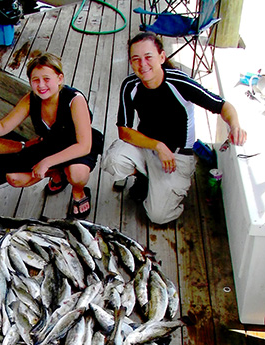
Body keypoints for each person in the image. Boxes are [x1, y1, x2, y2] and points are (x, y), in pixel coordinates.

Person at [102, 32, 247, 225]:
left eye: (148, 57)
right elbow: (124, 131)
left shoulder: (179, 83)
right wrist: (158, 146)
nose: (142, 64)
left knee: (158, 216)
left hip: (177, 157)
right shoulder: (130, 85)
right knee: (114, 159)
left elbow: (223, 106)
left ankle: (162, 188)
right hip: (148, 148)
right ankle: (146, 178)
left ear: (162, 57)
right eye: (136, 59)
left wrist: (235, 125)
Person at [0, 52, 104, 219]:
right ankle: (57, 173)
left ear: (60, 78)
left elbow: (84, 146)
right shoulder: (31, 99)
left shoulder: (75, 100)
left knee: (77, 173)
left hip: (76, 147)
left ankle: (79, 192)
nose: (41, 85)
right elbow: (3, 126)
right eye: (36, 80)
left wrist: (46, 162)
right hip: (51, 145)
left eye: (47, 79)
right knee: (13, 178)